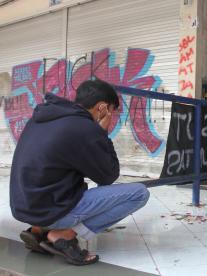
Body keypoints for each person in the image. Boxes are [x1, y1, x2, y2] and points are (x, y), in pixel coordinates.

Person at [9, 79, 150, 265]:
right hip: (48, 210)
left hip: (23, 207)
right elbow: (108, 176)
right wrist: (102, 133)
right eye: (111, 111)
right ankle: (64, 235)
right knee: (139, 193)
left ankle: (39, 229)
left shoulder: (41, 117)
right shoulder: (84, 128)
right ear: (102, 108)